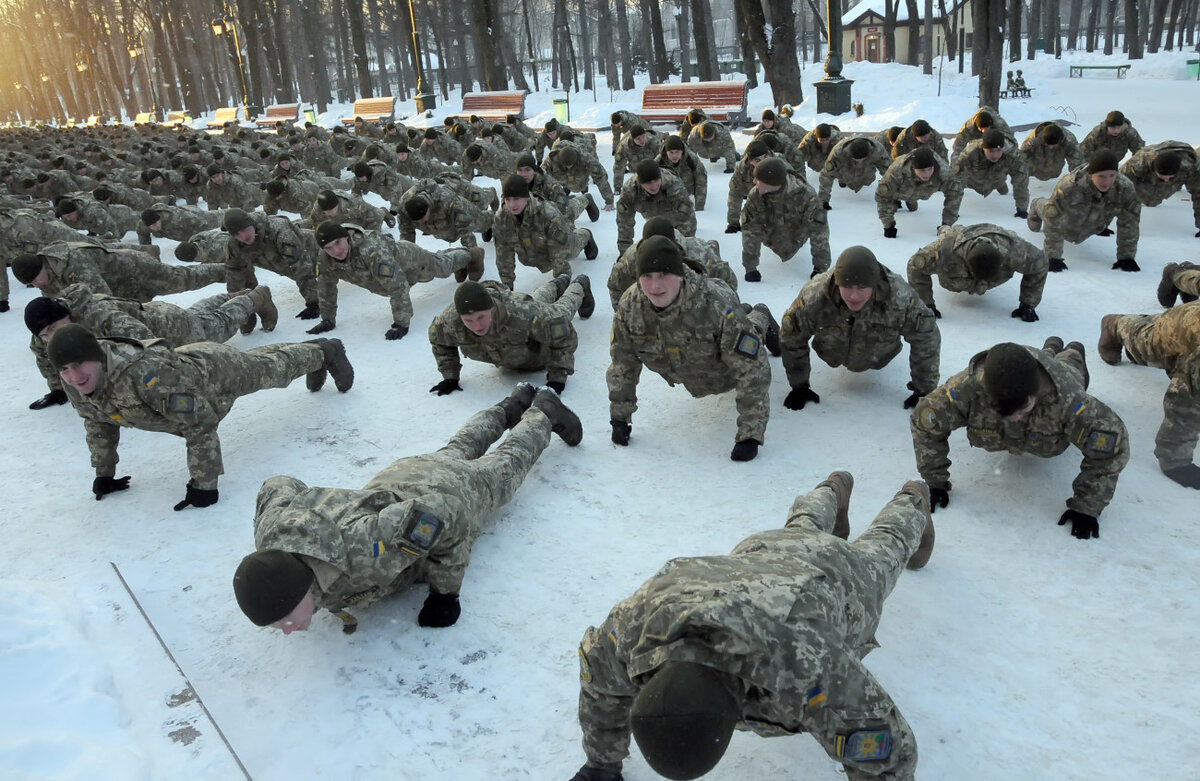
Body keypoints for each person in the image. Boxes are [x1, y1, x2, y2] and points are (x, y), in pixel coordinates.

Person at [569, 471, 935, 781]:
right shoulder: (632, 631)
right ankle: (831, 488)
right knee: (799, 530)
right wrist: (602, 764)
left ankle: (912, 498)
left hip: (838, 576)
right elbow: (600, 687)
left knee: (885, 548)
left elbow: (890, 753)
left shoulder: (806, 666)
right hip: (760, 553)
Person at [232, 384, 582, 634]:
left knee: (507, 466)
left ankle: (542, 412)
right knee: (457, 448)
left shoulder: (366, 546)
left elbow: (447, 513)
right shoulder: (273, 536)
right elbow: (278, 485)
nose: (288, 630)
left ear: (302, 588)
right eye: (277, 625)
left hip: (445, 492)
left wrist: (445, 593)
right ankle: (512, 404)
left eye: (287, 618)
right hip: (400, 478)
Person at [47, 323, 354, 511]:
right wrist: (105, 473)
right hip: (186, 367)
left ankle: (325, 352)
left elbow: (199, 420)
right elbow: (97, 420)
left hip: (215, 374)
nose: (73, 376)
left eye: (79, 365)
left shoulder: (144, 376)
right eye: (64, 369)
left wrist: (204, 485)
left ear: (97, 357)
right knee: (261, 361)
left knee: (273, 371)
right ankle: (311, 350)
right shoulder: (74, 382)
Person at [910, 339, 1128, 540]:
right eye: (1003, 411)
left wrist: (1087, 506)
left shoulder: (1069, 400)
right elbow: (926, 423)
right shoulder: (966, 390)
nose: (1015, 417)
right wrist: (935, 481)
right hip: (1020, 372)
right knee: (1042, 360)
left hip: (1062, 376)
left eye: (1023, 410)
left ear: (1036, 395)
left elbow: (1110, 448)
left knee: (1070, 368)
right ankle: (1050, 348)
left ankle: (1072, 350)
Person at [607, 236, 775, 462]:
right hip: (692, 368)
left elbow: (753, 370)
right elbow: (623, 363)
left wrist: (750, 435)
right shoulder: (630, 306)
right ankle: (746, 315)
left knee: (749, 334)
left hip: (724, 372)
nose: (655, 286)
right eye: (647, 276)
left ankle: (760, 315)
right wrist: (620, 417)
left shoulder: (715, 306)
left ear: (679, 274)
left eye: (664, 275)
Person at [23, 284, 277, 407]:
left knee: (218, 324)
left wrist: (163, 380)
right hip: (157, 314)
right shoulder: (47, 336)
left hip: (168, 326)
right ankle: (235, 294)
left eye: (54, 328)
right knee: (200, 315)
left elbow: (144, 342)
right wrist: (57, 389)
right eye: (45, 334)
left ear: (65, 314)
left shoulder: (100, 316)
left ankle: (256, 297)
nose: (51, 337)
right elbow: (46, 359)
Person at [780, 246, 940, 412]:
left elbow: (926, 336)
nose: (854, 296)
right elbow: (792, 335)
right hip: (832, 354)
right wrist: (799, 386)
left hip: (881, 355)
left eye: (862, 288)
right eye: (847, 287)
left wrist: (924, 390)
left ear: (874, 283)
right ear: (837, 281)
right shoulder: (814, 297)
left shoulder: (900, 298)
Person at [1098, 264, 1200, 488]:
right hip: (1181, 326)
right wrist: (1176, 460)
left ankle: (1178, 275)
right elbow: (1186, 395)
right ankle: (1114, 324)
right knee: (1146, 342)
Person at [306, 221, 483, 340]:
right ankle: (464, 257)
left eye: (338, 243)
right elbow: (325, 286)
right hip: (387, 277)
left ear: (346, 237)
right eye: (329, 248)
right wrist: (328, 318)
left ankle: (472, 254)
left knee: (443, 267)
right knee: (439, 260)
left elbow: (397, 286)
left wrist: (401, 323)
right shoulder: (325, 258)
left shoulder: (371, 250)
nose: (336, 251)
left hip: (411, 261)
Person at [428, 276, 593, 395]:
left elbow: (564, 335)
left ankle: (578, 285)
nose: (477, 326)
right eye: (469, 320)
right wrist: (450, 376)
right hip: (525, 318)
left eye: (481, 317)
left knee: (562, 310)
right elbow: (439, 341)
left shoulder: (521, 314)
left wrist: (558, 375)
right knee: (536, 301)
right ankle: (556, 284)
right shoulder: (450, 320)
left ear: (492, 309)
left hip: (535, 345)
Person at [1027, 150, 1142, 272]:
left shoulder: (1125, 188)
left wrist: (1126, 257)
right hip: (1066, 220)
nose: (1107, 182)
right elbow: (1053, 220)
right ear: (1091, 174)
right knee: (1048, 211)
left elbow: (1130, 222)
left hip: (1094, 222)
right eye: (1101, 176)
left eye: (1112, 175)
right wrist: (1052, 256)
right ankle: (1036, 203)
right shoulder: (1069, 186)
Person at [906, 223, 1048, 321]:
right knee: (950, 233)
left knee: (964, 232)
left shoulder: (1013, 250)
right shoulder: (944, 251)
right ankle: (945, 228)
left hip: (994, 233)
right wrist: (925, 305)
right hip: (956, 238)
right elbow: (915, 266)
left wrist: (1028, 305)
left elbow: (1040, 264)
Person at [11, 244, 224, 302]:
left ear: (42, 267)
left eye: (35, 280)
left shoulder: (72, 262)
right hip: (121, 288)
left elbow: (101, 299)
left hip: (135, 269)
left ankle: (224, 270)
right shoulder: (44, 278)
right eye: (32, 284)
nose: (37, 285)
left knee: (182, 280)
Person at [492, 175, 598, 290]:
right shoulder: (502, 218)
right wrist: (508, 287)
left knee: (571, 250)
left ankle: (585, 234)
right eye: (508, 199)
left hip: (562, 245)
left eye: (516, 199)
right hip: (535, 250)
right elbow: (503, 254)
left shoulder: (548, 214)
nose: (512, 205)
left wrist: (561, 283)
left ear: (526, 197)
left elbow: (560, 252)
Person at [607, 216, 737, 309]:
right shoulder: (631, 258)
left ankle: (713, 247)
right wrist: (626, 315)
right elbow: (615, 286)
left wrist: (725, 310)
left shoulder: (698, 251)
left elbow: (728, 281)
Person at [740, 157, 830, 282]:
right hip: (770, 234)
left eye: (758, 179)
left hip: (798, 234)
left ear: (772, 183)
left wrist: (820, 269)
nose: (754, 181)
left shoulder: (806, 196)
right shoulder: (755, 196)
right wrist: (750, 268)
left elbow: (819, 232)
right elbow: (750, 231)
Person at [222, 208, 322, 319]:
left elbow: (300, 264)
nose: (243, 236)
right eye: (236, 234)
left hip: (323, 252)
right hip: (292, 267)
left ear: (251, 223)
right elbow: (234, 274)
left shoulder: (278, 229)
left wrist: (314, 302)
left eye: (245, 229)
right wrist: (239, 308)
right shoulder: (234, 245)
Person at [875, 147, 963, 238]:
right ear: (913, 168)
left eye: (930, 169)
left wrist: (946, 224)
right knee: (893, 202)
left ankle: (911, 201)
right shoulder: (897, 170)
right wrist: (888, 226)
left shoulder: (943, 171)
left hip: (922, 192)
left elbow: (955, 194)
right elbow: (882, 196)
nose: (927, 174)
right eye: (922, 170)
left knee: (913, 208)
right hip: (900, 191)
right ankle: (898, 201)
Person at [614, 160, 696, 255]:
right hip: (650, 213)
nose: (654, 186)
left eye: (656, 180)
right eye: (648, 183)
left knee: (681, 247)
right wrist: (624, 252)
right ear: (640, 183)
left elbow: (686, 215)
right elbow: (624, 223)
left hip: (673, 212)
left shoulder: (672, 183)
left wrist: (685, 247)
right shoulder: (630, 191)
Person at [1118, 142, 1200, 235]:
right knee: (1148, 200)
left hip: (1182, 172)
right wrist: (1103, 220)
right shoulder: (1139, 162)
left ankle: (1174, 182)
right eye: (1162, 177)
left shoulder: (1192, 167)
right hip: (1149, 178)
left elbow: (1198, 194)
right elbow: (1117, 185)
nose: (1166, 180)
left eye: (1170, 178)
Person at [951, 128, 1031, 218]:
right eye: (991, 151)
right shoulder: (970, 153)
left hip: (998, 179)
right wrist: (952, 211)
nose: (995, 155)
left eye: (998, 150)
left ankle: (1001, 186)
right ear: (983, 148)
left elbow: (1021, 183)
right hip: (972, 181)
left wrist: (1022, 210)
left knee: (1003, 188)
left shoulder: (1013, 155)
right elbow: (956, 180)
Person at [818, 135, 892, 208]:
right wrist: (823, 200)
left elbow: (889, 173)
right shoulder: (838, 153)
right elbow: (826, 175)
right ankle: (843, 180)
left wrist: (893, 197)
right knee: (838, 174)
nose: (859, 163)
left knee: (868, 180)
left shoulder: (878, 151)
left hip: (867, 175)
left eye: (862, 160)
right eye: (856, 160)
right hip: (845, 172)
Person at [1019, 122, 1085, 182]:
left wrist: (1076, 179)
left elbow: (1077, 162)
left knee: (1053, 173)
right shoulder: (1033, 139)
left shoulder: (1070, 140)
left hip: (1054, 167)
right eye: (1048, 145)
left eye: (1053, 145)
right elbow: (1022, 155)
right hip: (1036, 164)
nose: (1051, 147)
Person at [656, 135, 707, 211]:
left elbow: (701, 180)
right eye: (671, 152)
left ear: (682, 151)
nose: (674, 155)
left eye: (677, 152)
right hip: (669, 192)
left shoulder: (691, 159)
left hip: (688, 188)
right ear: (666, 152)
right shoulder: (659, 161)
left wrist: (699, 205)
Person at [612, 125, 663, 193]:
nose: (642, 140)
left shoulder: (653, 141)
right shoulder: (625, 146)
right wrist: (617, 187)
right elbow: (619, 167)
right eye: (638, 138)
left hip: (652, 166)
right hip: (636, 169)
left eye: (643, 137)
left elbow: (663, 161)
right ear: (633, 139)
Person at [1079, 110, 1145, 160]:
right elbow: (1083, 151)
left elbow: (1140, 152)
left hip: (1115, 163)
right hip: (1096, 163)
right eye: (1113, 128)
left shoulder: (1129, 132)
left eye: (1119, 127)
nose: (1116, 131)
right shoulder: (1098, 132)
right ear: (1107, 126)